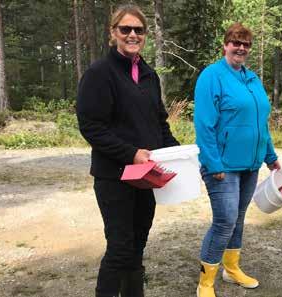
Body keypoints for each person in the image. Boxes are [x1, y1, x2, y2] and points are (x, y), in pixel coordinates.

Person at [76, 4, 179, 297]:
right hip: (114, 177)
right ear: (113, 33)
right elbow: (91, 127)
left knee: (137, 246)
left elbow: (160, 124)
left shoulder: (148, 75)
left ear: (145, 34)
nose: (132, 34)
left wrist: (179, 155)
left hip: (146, 178)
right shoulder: (100, 73)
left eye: (139, 30)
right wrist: (131, 153)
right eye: (126, 29)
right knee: (120, 248)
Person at [193, 22, 281, 297]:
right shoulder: (212, 76)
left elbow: (260, 123)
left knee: (238, 219)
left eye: (245, 44)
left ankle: (231, 270)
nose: (240, 48)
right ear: (225, 45)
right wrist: (213, 163)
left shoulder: (252, 79)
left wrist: (271, 157)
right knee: (225, 220)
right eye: (235, 42)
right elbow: (204, 124)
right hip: (222, 167)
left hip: (250, 165)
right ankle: (205, 283)